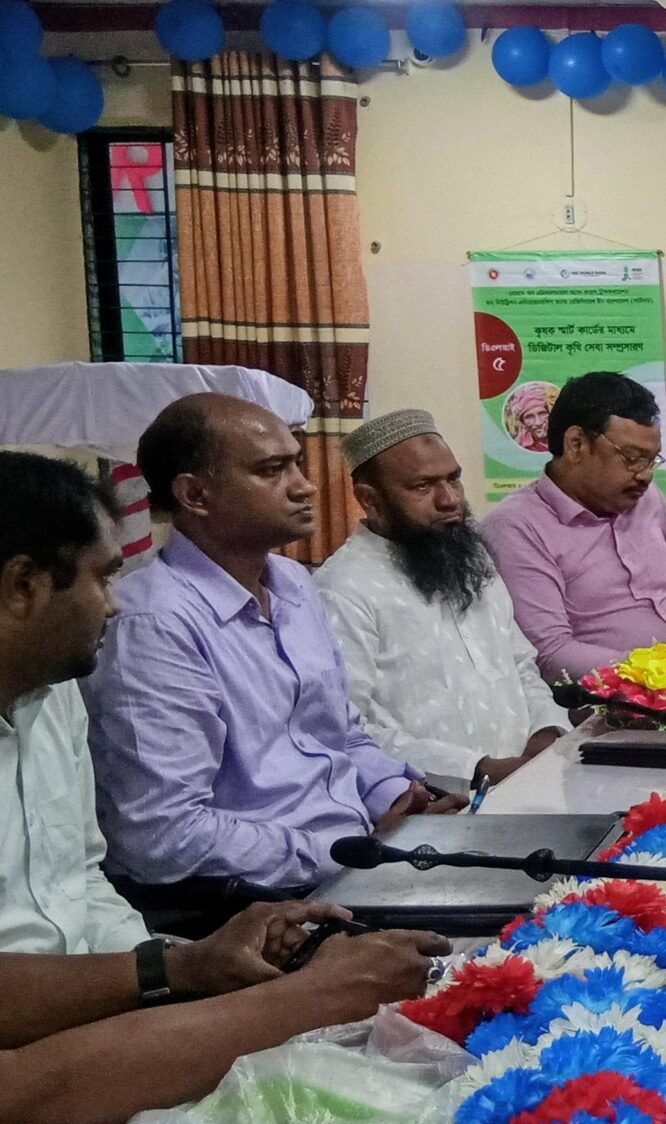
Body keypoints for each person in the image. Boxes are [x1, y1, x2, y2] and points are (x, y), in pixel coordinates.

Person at [0, 450, 450, 1123]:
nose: (114, 605)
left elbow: (81, 886)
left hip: (109, 1022)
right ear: (23, 586)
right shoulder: (149, 625)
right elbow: (21, 1091)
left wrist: (196, 966)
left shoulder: (53, 691)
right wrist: (298, 998)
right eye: (102, 578)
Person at [83, 395, 453, 899]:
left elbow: (341, 736)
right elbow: (163, 835)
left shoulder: (294, 583)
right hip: (250, 901)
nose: (305, 486)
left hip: (352, 860)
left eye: (297, 464)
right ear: (194, 494)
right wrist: (350, 852)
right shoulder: (154, 623)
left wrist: (398, 799)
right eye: (272, 471)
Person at [316, 410, 571, 789]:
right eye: (422, 486)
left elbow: (520, 666)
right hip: (437, 802)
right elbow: (347, 729)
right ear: (370, 499)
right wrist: (476, 769)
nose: (449, 500)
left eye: (453, 479)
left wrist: (546, 734)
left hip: (529, 781)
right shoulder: (342, 587)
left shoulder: (470, 558)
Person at [483, 371, 666, 681]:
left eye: (651, 460)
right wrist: (663, 672)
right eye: (632, 458)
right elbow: (551, 654)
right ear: (576, 444)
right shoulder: (516, 528)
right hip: (615, 700)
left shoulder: (645, 497)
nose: (645, 475)